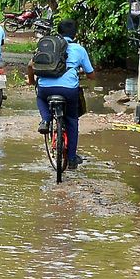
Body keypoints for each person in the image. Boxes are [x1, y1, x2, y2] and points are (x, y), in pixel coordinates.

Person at [35, 18, 95, 170]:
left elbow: (31, 65)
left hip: (45, 88)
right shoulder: (79, 49)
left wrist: (31, 80)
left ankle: (46, 120)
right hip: (69, 91)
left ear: (58, 32)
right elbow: (91, 74)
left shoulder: (48, 46)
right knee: (72, 120)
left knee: (40, 97)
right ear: (75, 35)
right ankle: (72, 159)